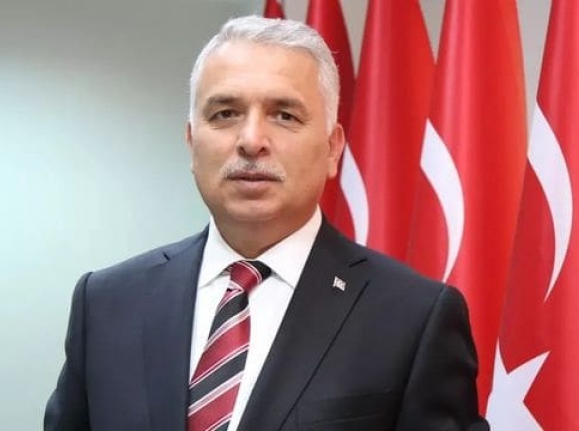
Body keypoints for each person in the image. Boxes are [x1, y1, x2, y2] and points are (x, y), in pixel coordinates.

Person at [45, 15, 489, 431]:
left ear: (333, 149)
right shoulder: (106, 303)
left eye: (284, 115)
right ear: (191, 142)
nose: (251, 140)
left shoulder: (413, 318)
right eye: (225, 114)